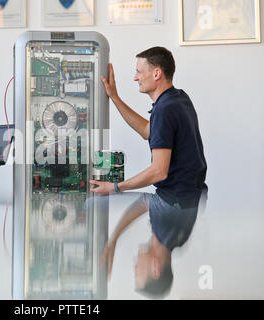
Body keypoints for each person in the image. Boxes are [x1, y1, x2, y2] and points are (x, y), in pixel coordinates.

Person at [91, 47, 208, 298]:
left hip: (176, 191)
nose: (135, 77)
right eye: (138, 271)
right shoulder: (177, 99)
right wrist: (114, 97)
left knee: (94, 201)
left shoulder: (172, 228)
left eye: (138, 72)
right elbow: (148, 130)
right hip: (183, 192)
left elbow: (158, 172)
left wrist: (115, 188)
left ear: (157, 73)